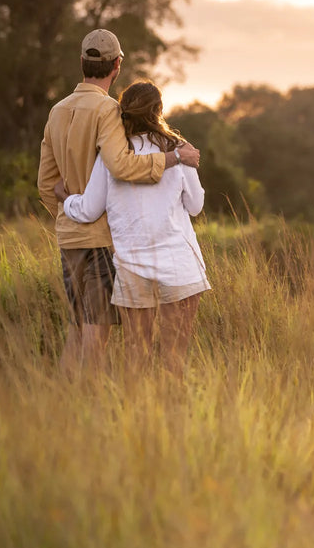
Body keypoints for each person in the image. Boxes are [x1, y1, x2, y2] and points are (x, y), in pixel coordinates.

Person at [37, 29, 201, 374]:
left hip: (69, 238)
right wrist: (176, 158)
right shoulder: (110, 110)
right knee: (97, 333)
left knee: (77, 328)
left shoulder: (56, 111)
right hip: (99, 240)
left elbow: (45, 183)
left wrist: (68, 215)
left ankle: (60, 404)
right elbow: (121, 165)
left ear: (82, 62)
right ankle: (87, 410)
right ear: (117, 65)